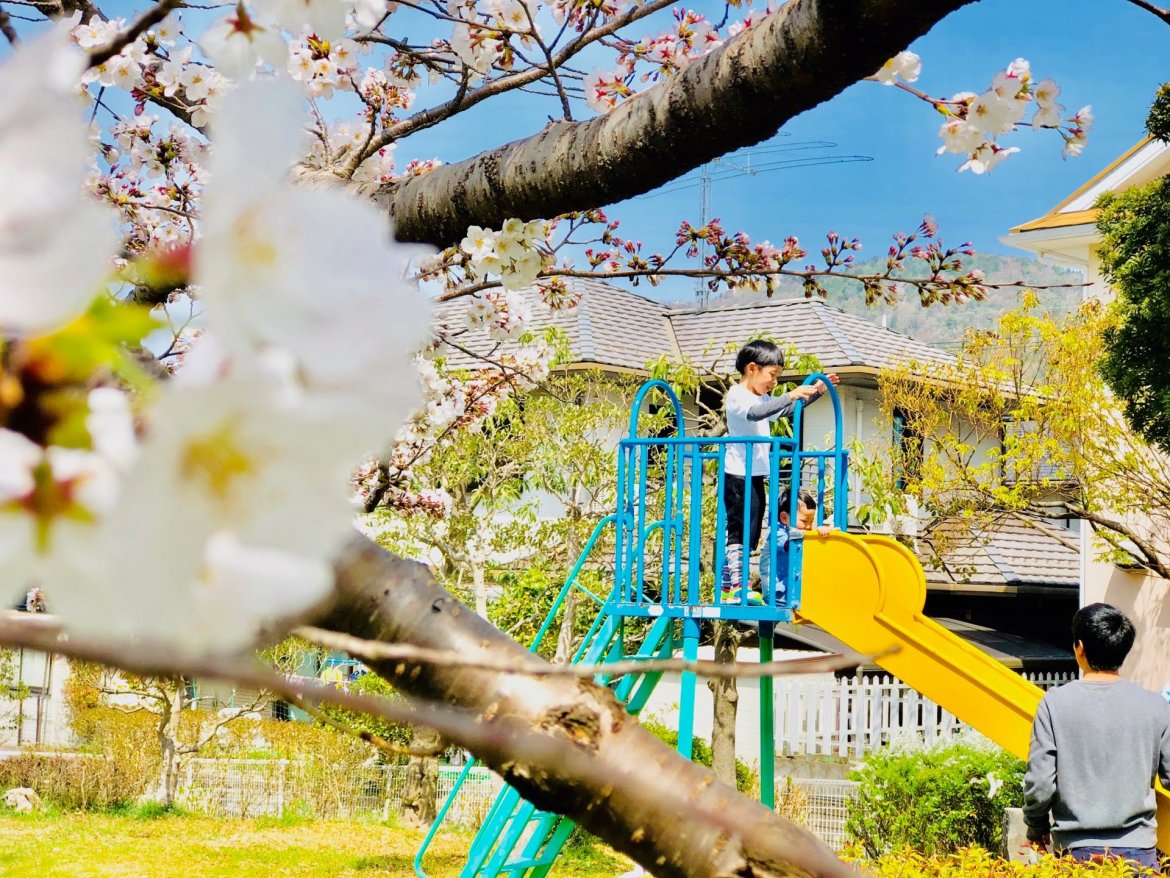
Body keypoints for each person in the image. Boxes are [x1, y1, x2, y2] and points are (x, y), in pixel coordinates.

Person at [1023, 602, 1170, 873]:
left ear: (1079, 647)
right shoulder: (1156, 706)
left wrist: (1036, 828)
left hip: (1076, 854)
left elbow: (1041, 784)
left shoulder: (1054, 704)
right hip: (1139, 855)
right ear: (1124, 651)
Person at [720, 339, 837, 606]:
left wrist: (814, 393)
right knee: (741, 531)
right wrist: (790, 394)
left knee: (751, 531)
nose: (774, 382)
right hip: (738, 474)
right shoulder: (738, 395)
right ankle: (737, 587)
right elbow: (755, 413)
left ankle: (729, 588)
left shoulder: (761, 397)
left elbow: (782, 410)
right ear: (752, 368)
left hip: (755, 473)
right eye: (771, 375)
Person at [769, 488, 834, 605]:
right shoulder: (777, 533)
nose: (809, 526)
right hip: (778, 592)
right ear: (784, 518)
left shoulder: (800, 533)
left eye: (811, 521)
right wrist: (814, 535)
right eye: (804, 521)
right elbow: (791, 543)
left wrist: (823, 533)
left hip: (793, 588)